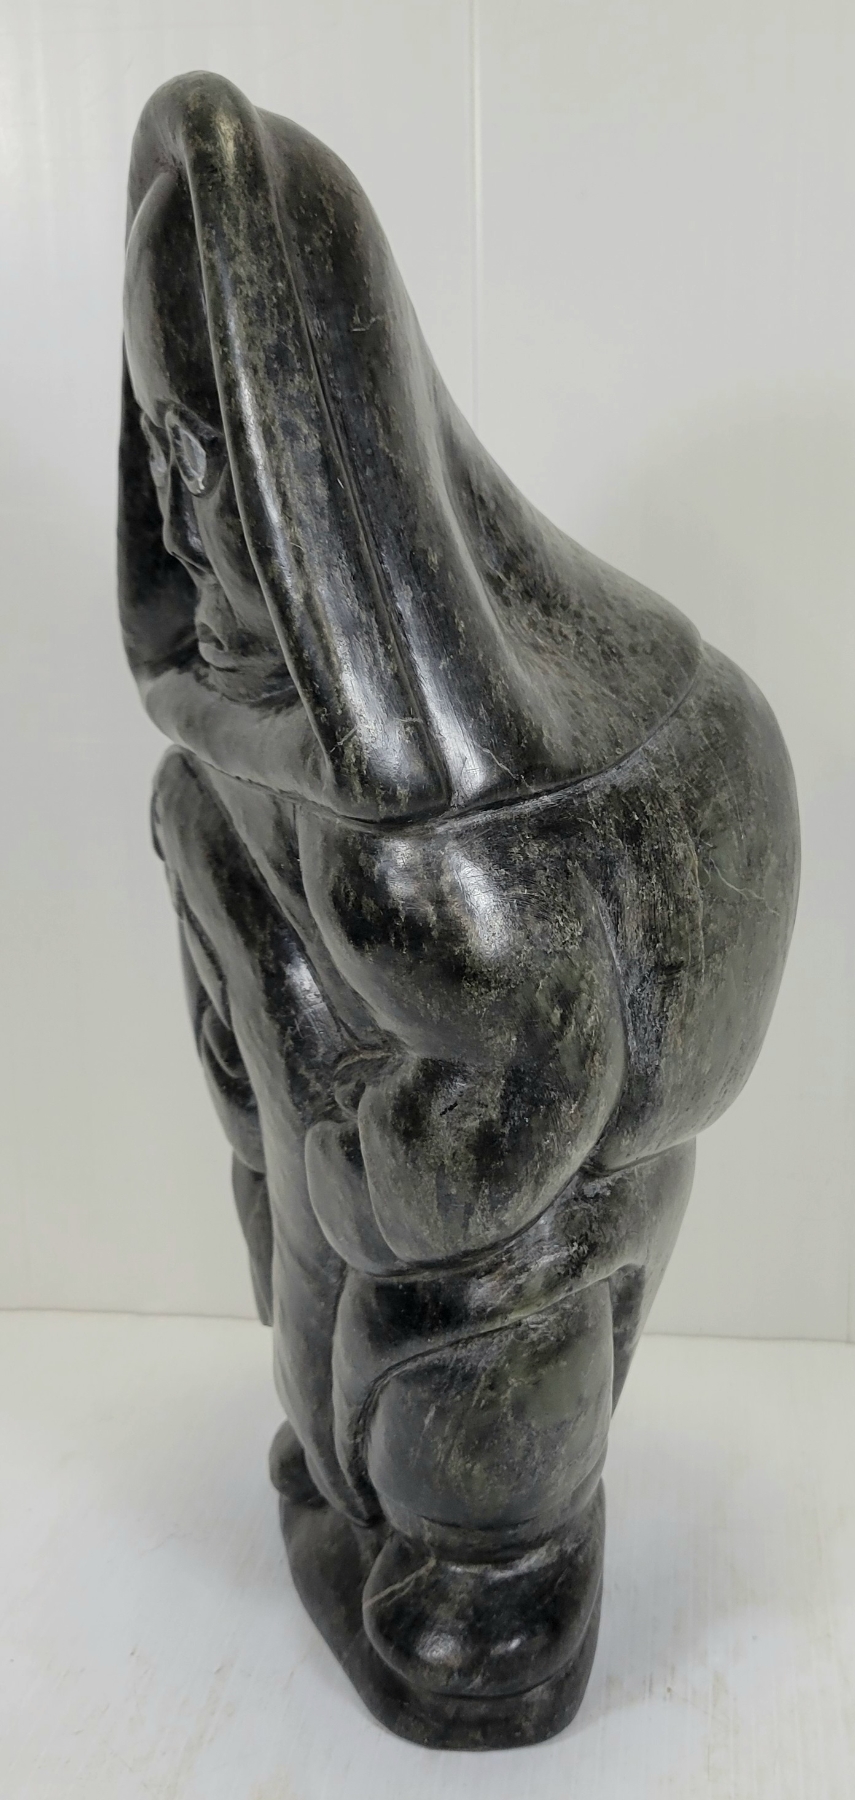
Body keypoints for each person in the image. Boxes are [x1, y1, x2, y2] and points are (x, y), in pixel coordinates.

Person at [119, 72, 799, 1747]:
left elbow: (448, 1182)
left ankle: (502, 1584)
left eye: (225, 464)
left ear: (319, 481)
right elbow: (270, 1105)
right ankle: (378, 1500)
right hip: (356, 1202)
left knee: (469, 1354)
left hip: (495, 1276)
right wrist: (271, 1035)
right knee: (325, 1339)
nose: (188, 516)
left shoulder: (450, 865)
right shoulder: (239, 755)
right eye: (166, 452)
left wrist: (316, 1096)